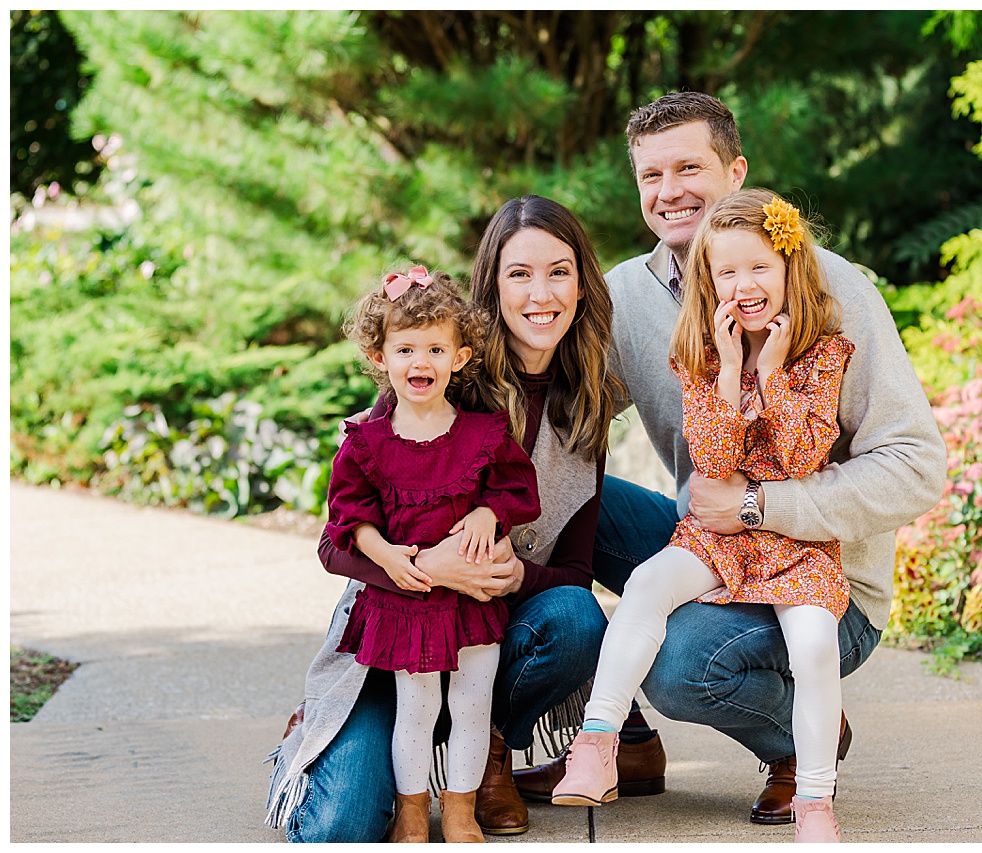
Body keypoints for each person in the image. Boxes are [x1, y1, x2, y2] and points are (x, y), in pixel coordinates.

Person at [523, 92, 947, 825]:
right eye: (652, 175)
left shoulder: (832, 291)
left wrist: (762, 504)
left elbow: (917, 465)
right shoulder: (629, 293)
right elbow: (559, 420)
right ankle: (621, 740)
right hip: (714, 541)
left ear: (737, 171)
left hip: (821, 570)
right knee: (562, 494)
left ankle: (795, 739)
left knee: (681, 665)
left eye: (690, 166)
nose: (670, 191)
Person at [266, 196, 629, 841]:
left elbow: (573, 569)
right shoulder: (432, 376)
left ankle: (486, 749)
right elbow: (337, 542)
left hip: (489, 626)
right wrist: (419, 564)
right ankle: (319, 735)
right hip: (393, 625)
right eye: (519, 273)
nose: (540, 292)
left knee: (577, 620)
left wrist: (505, 576)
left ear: (582, 284)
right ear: (491, 284)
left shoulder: (585, 407)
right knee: (337, 829)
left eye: (559, 271)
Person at [551, 189, 855, 843]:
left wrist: (769, 374)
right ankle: (598, 741)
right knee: (646, 584)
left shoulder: (822, 353)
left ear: (788, 269)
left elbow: (801, 456)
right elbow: (713, 461)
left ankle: (815, 803)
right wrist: (727, 375)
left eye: (759, 268)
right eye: (727, 272)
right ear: (707, 281)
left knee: (814, 643)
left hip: (794, 541)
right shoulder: (697, 353)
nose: (745, 286)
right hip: (718, 534)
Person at [322, 267, 541, 843]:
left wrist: (487, 512)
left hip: (471, 602)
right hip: (407, 602)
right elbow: (348, 518)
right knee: (415, 710)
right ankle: (414, 815)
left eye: (436, 348)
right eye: (406, 349)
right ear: (380, 355)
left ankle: (463, 812)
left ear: (461, 356)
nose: (421, 361)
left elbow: (520, 491)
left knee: (472, 706)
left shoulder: (483, 433)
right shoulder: (366, 442)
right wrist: (388, 555)